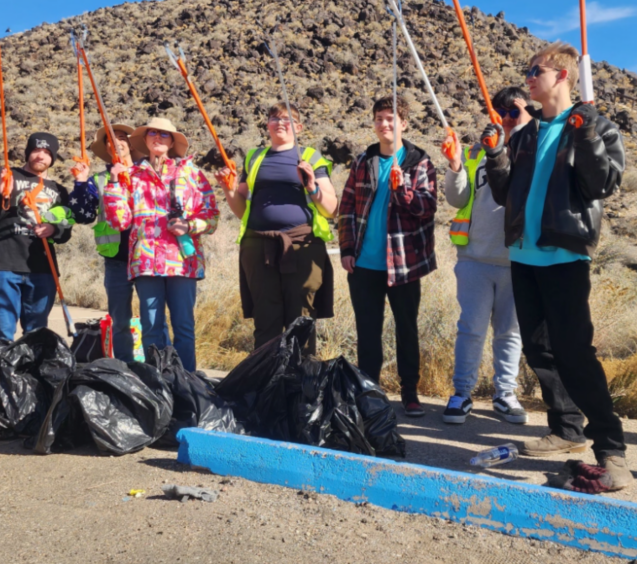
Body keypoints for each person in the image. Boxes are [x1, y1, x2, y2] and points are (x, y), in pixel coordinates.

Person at [483, 41, 632, 490]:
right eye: (528, 71)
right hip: (523, 254)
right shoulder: (525, 134)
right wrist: (497, 153)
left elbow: (602, 184)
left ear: (563, 76)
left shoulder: (595, 125)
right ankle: (567, 429)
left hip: (564, 254)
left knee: (575, 354)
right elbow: (504, 193)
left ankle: (611, 449)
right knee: (538, 351)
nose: (528, 78)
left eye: (537, 71)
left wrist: (586, 137)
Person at [338, 95, 437, 417]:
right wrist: (347, 249)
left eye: (391, 119)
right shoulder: (363, 161)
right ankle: (370, 391)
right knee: (368, 331)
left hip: (405, 263)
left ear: (403, 124)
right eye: (379, 118)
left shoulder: (419, 162)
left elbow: (427, 207)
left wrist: (403, 190)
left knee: (406, 328)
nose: (384, 124)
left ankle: (410, 392)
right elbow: (347, 207)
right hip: (364, 262)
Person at [442, 87, 533, 425]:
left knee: (510, 332)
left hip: (518, 258)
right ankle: (462, 393)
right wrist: (455, 165)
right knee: (471, 328)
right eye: (500, 112)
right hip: (475, 257)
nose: (506, 118)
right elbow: (457, 198)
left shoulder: (532, 150)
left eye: (514, 111)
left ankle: (505, 394)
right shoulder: (474, 152)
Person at [215, 103, 337, 355]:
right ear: (267, 124)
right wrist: (228, 189)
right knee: (265, 316)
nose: (280, 123)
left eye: (287, 119)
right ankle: (266, 376)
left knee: (300, 317)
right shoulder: (254, 157)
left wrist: (312, 186)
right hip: (258, 246)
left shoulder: (311, 157)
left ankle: (300, 376)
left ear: (298, 127)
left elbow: (331, 208)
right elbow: (242, 210)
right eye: (274, 118)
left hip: (303, 246)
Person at [103, 117, 219, 372]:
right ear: (144, 140)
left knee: (183, 327)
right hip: (146, 263)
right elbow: (119, 221)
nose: (158, 137)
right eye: (152, 132)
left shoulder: (192, 174)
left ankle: (186, 381)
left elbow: (211, 217)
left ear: (173, 142)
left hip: (182, 262)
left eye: (164, 134)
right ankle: (157, 382)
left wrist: (189, 226)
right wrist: (113, 183)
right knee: (151, 327)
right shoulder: (130, 176)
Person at [0, 132, 74, 344]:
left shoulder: (59, 190)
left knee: (36, 336)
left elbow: (66, 232)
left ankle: (30, 367)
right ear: (28, 152)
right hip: (2, 266)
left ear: (53, 157)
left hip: (42, 269)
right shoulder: (5, 175)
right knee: (1, 334)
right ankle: (0, 366)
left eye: (47, 152)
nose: (41, 156)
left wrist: (53, 229)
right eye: (36, 150)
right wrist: (2, 196)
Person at [69, 124, 136, 360]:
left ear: (131, 144)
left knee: (154, 319)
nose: (116, 143)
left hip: (147, 258)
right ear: (106, 148)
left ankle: (156, 368)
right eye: (110, 140)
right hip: (116, 260)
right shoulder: (98, 180)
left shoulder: (146, 174)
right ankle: (125, 368)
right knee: (120, 321)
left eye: (122, 137)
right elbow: (83, 215)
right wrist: (80, 182)